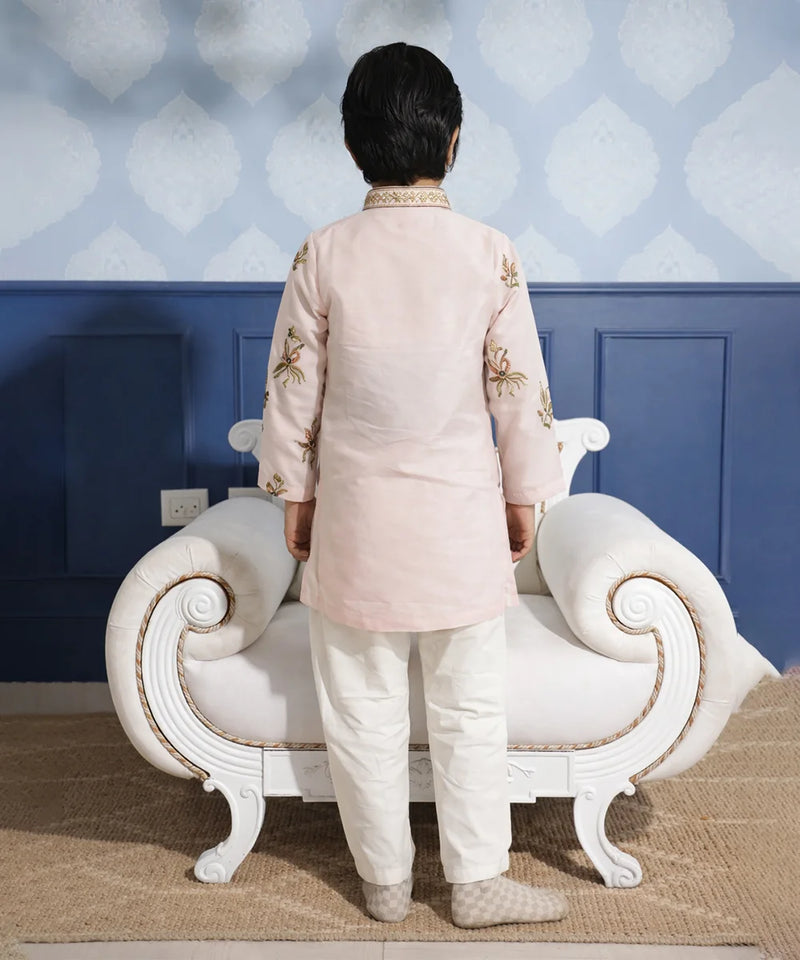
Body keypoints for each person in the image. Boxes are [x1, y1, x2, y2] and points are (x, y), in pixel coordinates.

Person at [258, 41, 568, 928]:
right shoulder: (489, 252)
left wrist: (294, 495)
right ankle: (474, 882)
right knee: (471, 710)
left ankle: (385, 883)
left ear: (354, 148)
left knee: (360, 712)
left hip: (356, 525)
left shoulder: (323, 253)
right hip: (460, 524)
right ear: (456, 142)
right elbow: (519, 393)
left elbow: (293, 391)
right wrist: (523, 496)